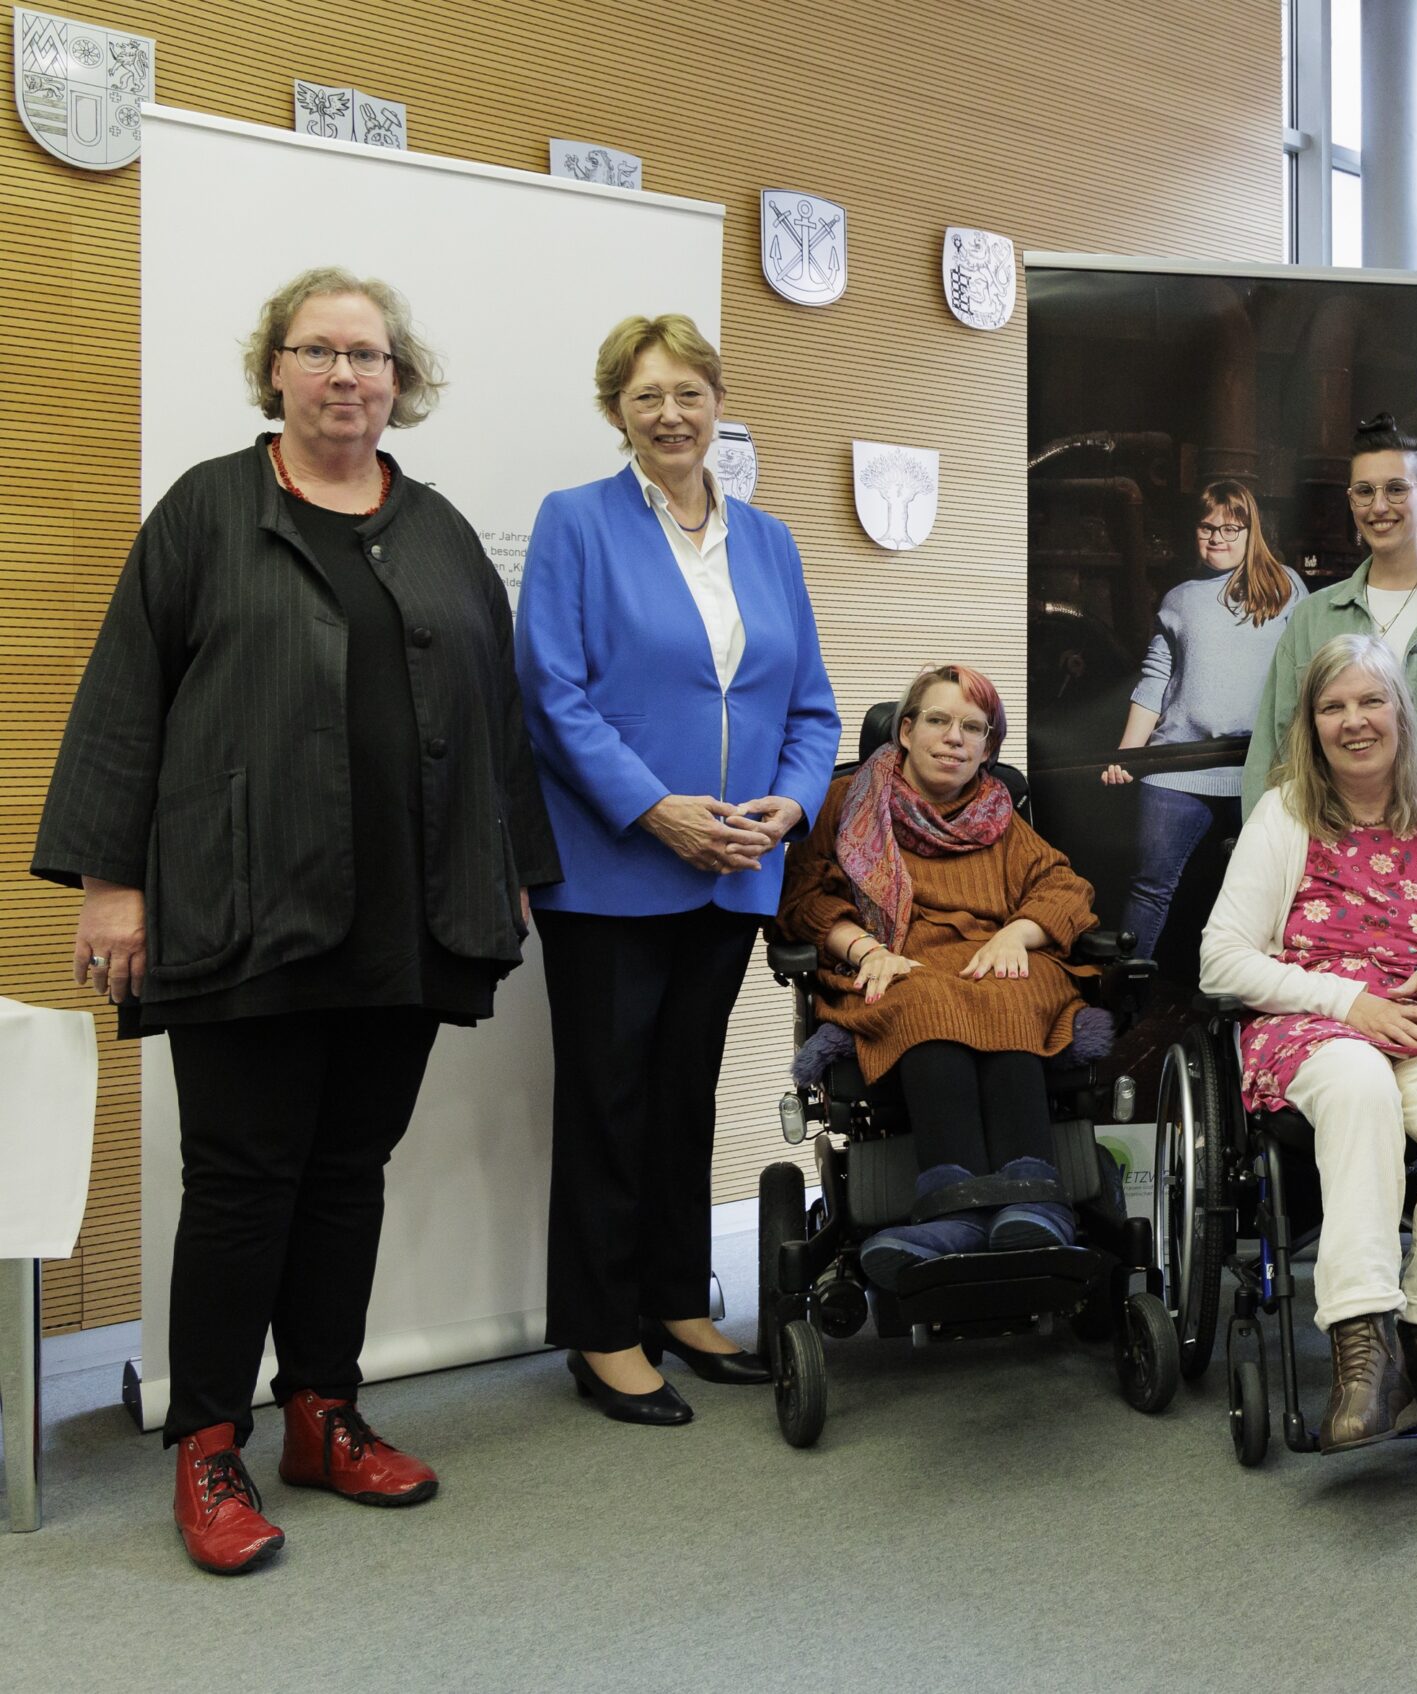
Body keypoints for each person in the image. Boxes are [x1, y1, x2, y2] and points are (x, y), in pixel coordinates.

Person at [30, 266, 560, 1573]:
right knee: (242, 1179)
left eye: (369, 356)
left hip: (402, 918)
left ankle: (322, 1411)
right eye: (319, 351)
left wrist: (515, 870)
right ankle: (209, 1442)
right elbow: (126, 691)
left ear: (399, 379)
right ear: (275, 368)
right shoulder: (208, 511)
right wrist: (113, 879)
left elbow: (497, 716)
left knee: (344, 1173)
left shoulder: (434, 530)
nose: (346, 375)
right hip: (240, 906)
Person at [516, 313, 839, 1428]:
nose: (670, 414)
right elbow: (552, 695)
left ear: (716, 403)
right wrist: (658, 811)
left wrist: (790, 805)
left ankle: (674, 1298)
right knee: (607, 1101)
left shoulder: (770, 541)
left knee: (681, 1096)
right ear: (618, 410)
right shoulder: (575, 524)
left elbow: (810, 706)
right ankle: (603, 1329)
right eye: (647, 395)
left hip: (734, 871)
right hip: (612, 871)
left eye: (689, 392)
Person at [1201, 634, 1417, 1452]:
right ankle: (1364, 1351)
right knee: (1357, 1085)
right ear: (1311, 725)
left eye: (1370, 701)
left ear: (1401, 711)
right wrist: (1351, 1002)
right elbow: (1221, 959)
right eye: (1332, 706)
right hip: (1317, 1021)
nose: (1354, 721)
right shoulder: (1283, 813)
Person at [773, 665, 1101, 1285]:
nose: (955, 737)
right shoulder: (847, 802)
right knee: (922, 995)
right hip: (894, 959)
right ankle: (954, 1207)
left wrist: (1016, 933)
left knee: (1012, 986)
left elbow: (1064, 886)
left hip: (992, 958)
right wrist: (865, 950)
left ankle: (1035, 1199)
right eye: (939, 720)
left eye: (972, 727)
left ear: (988, 748)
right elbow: (802, 898)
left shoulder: (1001, 815)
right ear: (905, 729)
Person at [1239, 413, 1417, 887]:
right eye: (1364, 491)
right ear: (1350, 501)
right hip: (1327, 868)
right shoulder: (1313, 619)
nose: (1381, 506)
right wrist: (1263, 872)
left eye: (1397, 489)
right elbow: (1275, 754)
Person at [1100, 479, 1306, 962]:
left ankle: (1260, 1009)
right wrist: (1127, 756)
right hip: (1176, 768)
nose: (1218, 537)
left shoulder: (1286, 588)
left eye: (1231, 527)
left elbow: (1307, 675)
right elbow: (1155, 679)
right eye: (1207, 526)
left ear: (1252, 530)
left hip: (1256, 770)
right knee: (1150, 887)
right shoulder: (1179, 598)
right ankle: (1123, 1008)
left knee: (1266, 893)